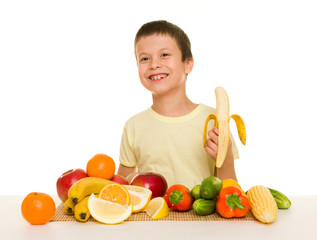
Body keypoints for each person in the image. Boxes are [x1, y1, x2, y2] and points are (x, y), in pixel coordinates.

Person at [117, 20, 240, 189]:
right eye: (145, 58)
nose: (154, 64)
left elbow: (230, 192)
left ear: (188, 64)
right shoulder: (133, 126)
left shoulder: (215, 122)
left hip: (200, 215)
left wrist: (226, 161)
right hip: (154, 214)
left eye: (165, 55)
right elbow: (120, 188)